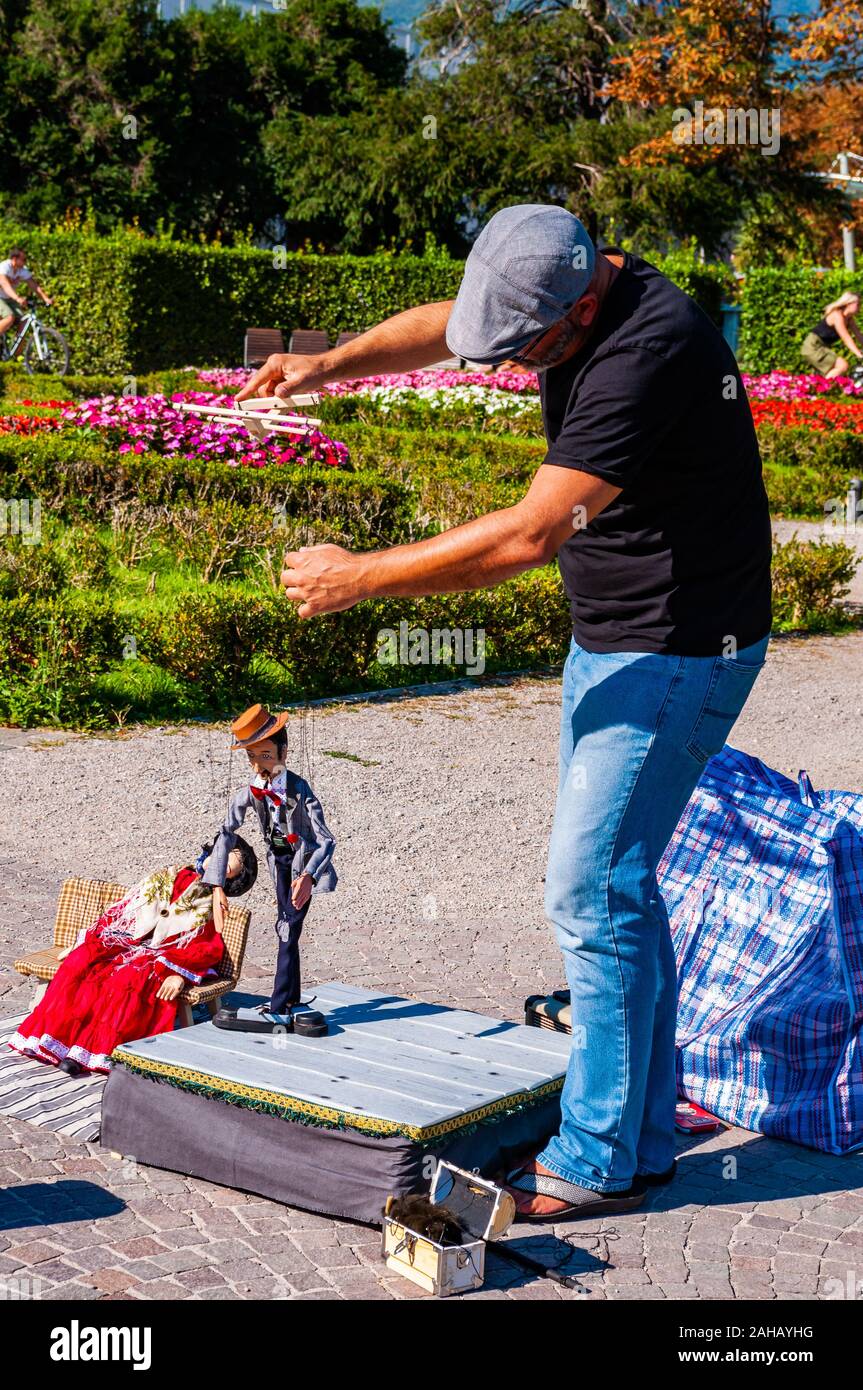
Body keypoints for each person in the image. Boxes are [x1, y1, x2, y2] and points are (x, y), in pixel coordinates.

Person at [240, 204, 771, 1220]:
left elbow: (528, 536)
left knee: (587, 888)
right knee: (618, 882)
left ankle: (596, 1158)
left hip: (675, 648)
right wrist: (330, 365)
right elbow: (449, 321)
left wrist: (360, 577)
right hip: (620, 635)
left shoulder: (646, 353)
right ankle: (639, 1134)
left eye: (524, 345)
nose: (504, 362)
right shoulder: (561, 280)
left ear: (580, 305)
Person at [10, 841, 256, 1075]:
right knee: (83, 962)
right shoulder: (168, 875)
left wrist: (178, 973)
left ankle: (94, 1051)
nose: (218, 863)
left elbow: (206, 945)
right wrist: (87, 940)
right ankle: (57, 1040)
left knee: (129, 978)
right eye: (219, 855)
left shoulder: (213, 904)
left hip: (161, 953)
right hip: (126, 938)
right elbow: (128, 906)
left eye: (227, 867)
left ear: (230, 879)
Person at [201, 703, 337, 1034]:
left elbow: (326, 840)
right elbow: (226, 832)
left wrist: (309, 875)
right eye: (252, 757)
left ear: (283, 751)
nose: (259, 764)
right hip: (278, 865)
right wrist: (217, 885)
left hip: (301, 865)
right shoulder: (251, 792)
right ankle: (290, 1000)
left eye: (265, 755)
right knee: (286, 927)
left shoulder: (300, 790)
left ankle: (278, 1008)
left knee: (287, 929)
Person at [800, 291, 863, 379]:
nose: (860, 307)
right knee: (842, 365)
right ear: (849, 303)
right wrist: (858, 354)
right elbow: (846, 337)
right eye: (858, 304)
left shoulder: (849, 319)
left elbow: (859, 335)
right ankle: (824, 388)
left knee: (835, 370)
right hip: (813, 346)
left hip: (822, 347)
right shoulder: (837, 315)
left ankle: (820, 387)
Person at [0, 248, 53, 351]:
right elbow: (5, 285)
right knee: (9, 317)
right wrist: (17, 298)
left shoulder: (21, 270)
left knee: (23, 322)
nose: (25, 261)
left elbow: (33, 285)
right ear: (15, 259)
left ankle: (16, 354)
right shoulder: (4, 267)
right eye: (23, 259)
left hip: (9, 298)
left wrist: (46, 298)